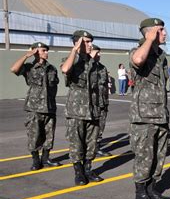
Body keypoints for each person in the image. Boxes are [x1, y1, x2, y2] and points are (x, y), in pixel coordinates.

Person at [129, 18, 170, 199]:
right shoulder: (138, 52)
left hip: (160, 113)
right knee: (144, 156)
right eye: (161, 30)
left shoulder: (161, 56)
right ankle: (140, 193)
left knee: (158, 155)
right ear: (151, 33)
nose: (165, 33)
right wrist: (149, 39)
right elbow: (138, 60)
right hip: (144, 115)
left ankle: (152, 189)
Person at [61, 30, 104, 186]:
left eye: (90, 41)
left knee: (91, 143)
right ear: (77, 43)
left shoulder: (94, 64)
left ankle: (87, 169)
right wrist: (75, 50)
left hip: (93, 109)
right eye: (86, 41)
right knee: (76, 143)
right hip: (76, 110)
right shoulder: (70, 60)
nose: (90, 44)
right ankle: (78, 172)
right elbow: (65, 70)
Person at [10, 42, 61, 170]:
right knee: (34, 135)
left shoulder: (52, 68)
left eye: (46, 50)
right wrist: (26, 56)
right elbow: (14, 69)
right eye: (43, 50)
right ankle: (35, 160)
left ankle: (46, 159)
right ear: (36, 52)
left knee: (49, 135)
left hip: (49, 107)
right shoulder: (28, 68)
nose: (46, 53)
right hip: (34, 107)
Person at [92, 45, 111, 157]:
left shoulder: (102, 68)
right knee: (91, 128)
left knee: (101, 126)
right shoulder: (86, 67)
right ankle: (89, 148)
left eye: (99, 53)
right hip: (91, 103)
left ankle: (97, 147)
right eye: (97, 52)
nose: (99, 55)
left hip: (102, 102)